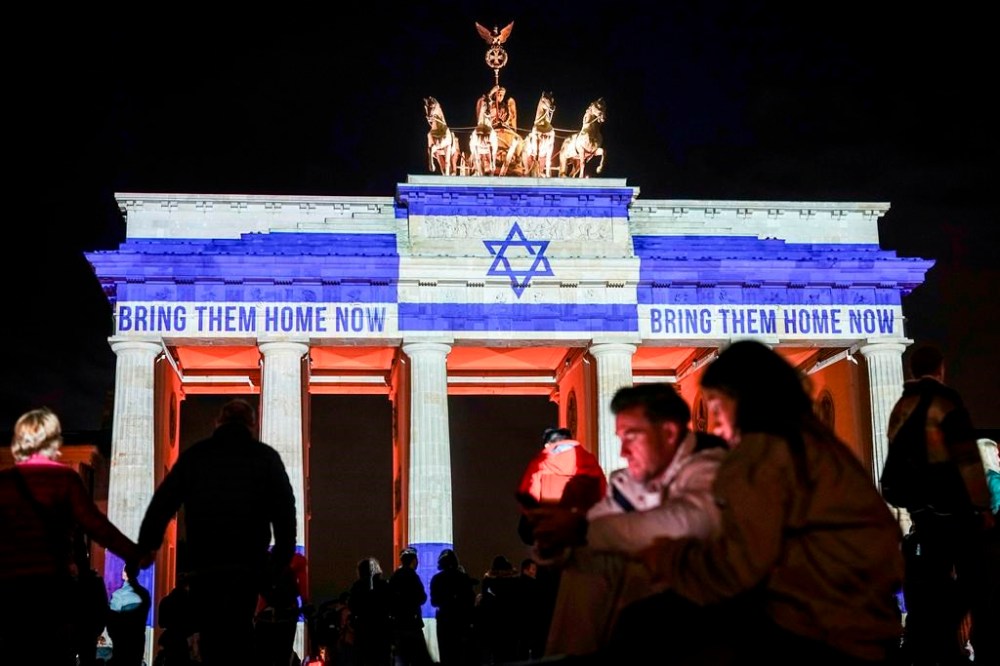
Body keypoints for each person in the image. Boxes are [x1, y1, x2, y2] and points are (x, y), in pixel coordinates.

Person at [608, 340, 906, 664]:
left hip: (814, 629)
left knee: (642, 621)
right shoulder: (820, 447)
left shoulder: (761, 454)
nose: (715, 425)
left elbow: (736, 568)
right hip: (866, 625)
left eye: (716, 407)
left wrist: (665, 556)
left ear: (743, 399)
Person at [525, 383, 728, 657]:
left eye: (631, 437)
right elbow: (592, 528)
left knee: (608, 559)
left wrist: (582, 530)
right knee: (587, 558)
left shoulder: (713, 467)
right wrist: (553, 542)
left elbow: (689, 521)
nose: (622, 451)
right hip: (659, 590)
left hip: (709, 591)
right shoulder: (631, 482)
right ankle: (567, 661)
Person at [138, 398, 297, 666]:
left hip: (205, 570)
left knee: (211, 639)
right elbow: (285, 516)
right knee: (241, 635)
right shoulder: (265, 458)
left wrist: (147, 546)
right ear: (252, 425)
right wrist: (275, 569)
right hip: (246, 569)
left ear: (218, 422)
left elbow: (162, 504)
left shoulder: (196, 456)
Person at [0, 407, 148, 666]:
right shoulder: (63, 480)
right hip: (50, 587)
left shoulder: (5, 483)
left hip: (9, 590)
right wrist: (133, 552)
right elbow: (96, 526)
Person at [883, 345, 995, 666]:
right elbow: (967, 458)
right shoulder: (946, 402)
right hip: (955, 513)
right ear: (942, 369)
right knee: (976, 585)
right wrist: (983, 508)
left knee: (926, 588)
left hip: (923, 517)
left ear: (912, 371)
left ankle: (928, 650)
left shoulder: (902, 407)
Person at [516, 427, 607, 547]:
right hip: (583, 528)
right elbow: (604, 493)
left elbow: (529, 498)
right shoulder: (590, 461)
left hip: (552, 529)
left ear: (548, 444)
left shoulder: (540, 464)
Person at [429, 548, 478, 666]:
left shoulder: (437, 579)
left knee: (446, 655)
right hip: (461, 621)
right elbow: (470, 600)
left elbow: (434, 601)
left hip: (444, 621)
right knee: (461, 655)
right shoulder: (464, 578)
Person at [387, 547, 432, 666]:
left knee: (401, 658)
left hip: (398, 625)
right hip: (412, 624)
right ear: (413, 560)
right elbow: (422, 597)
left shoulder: (394, 577)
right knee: (421, 658)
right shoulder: (413, 576)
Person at [348, 556, 392, 666]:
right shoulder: (384, 585)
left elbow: (352, 606)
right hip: (382, 630)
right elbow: (391, 604)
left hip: (363, 630)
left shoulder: (357, 586)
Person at [107, 563, 151, 666]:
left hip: (121, 642)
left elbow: (111, 623)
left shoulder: (118, 595)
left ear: (125, 573)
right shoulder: (145, 593)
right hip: (138, 640)